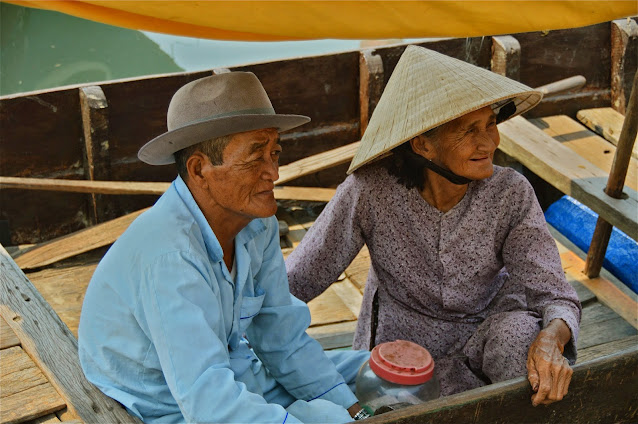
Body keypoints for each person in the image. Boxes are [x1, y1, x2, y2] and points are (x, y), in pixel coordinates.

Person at [286, 45, 581, 406]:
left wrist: (551, 339)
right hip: (403, 354)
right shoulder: (369, 191)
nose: (488, 142)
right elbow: (299, 279)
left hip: (485, 340)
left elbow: (553, 294)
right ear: (423, 143)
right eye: (469, 130)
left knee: (520, 336)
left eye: (490, 124)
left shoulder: (510, 193)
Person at [78, 72, 371, 424]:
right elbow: (209, 402)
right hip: (168, 405)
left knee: (375, 369)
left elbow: (282, 337)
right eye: (254, 157)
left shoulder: (258, 224)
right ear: (199, 169)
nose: (274, 173)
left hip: (235, 369)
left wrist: (354, 410)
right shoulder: (170, 256)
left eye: (274, 153)